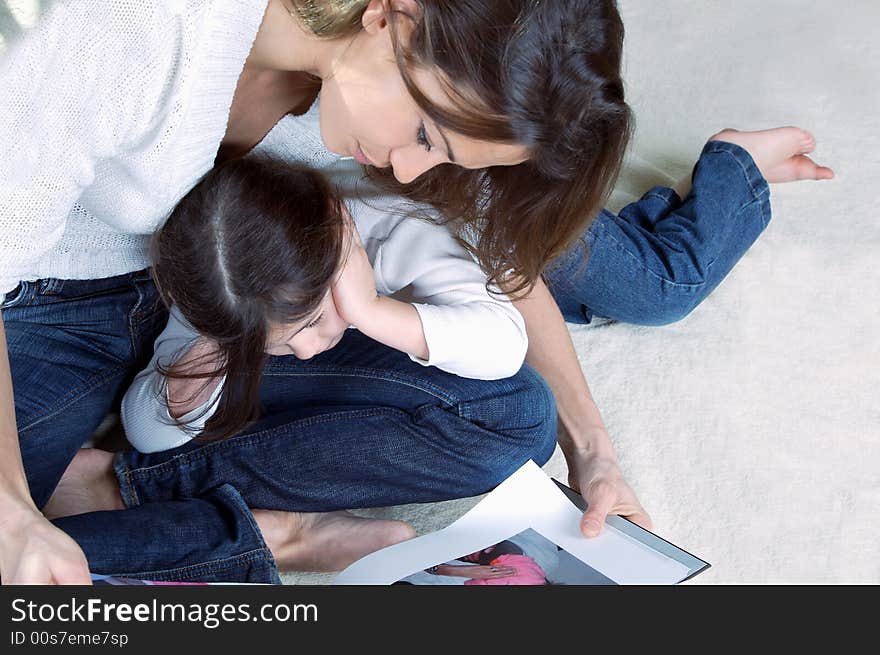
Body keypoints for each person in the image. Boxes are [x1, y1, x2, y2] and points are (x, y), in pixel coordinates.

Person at [0, 0, 833, 584]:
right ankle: (271, 530)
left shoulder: (403, 151)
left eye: (443, 152)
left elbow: (499, 262)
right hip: (71, 290)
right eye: (426, 132)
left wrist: (596, 455)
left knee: (653, 287)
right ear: (392, 12)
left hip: (324, 261)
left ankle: (737, 166)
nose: (408, 166)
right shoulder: (141, 27)